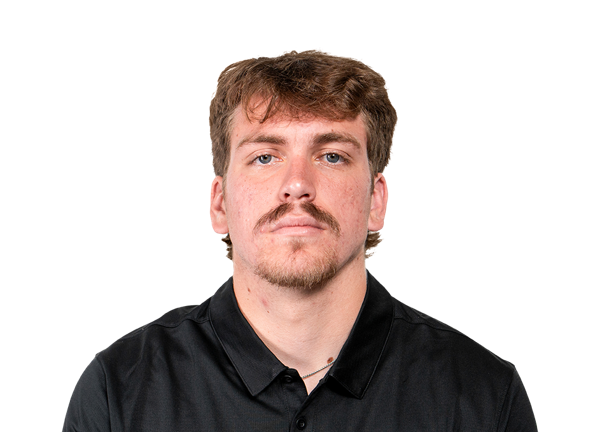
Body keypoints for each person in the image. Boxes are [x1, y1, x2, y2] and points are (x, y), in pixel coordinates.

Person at [63, 49, 537, 431]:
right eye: (265, 157)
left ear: (376, 200)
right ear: (220, 203)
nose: (296, 185)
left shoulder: (484, 395)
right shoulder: (118, 390)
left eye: (331, 156)